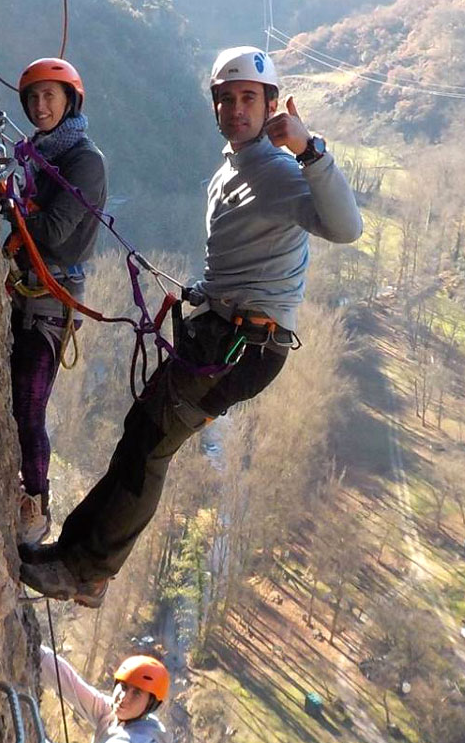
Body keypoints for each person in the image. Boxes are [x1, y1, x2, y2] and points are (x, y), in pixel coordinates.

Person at [20, 46, 360, 606]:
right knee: (142, 437)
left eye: (248, 98)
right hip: (222, 331)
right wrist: (201, 293)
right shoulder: (234, 168)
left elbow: (346, 227)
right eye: (225, 99)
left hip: (245, 345)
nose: (235, 108)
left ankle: (85, 571)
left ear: (272, 104)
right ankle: (76, 559)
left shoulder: (277, 170)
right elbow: (240, 258)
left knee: (148, 445)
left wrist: (310, 149)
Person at [9, 57, 107, 545]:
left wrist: (12, 205)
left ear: (70, 100)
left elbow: (50, 233)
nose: (40, 105)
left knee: (29, 407)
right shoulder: (37, 154)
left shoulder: (83, 161)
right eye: (33, 97)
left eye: (50, 95)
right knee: (14, 403)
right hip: (28, 287)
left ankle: (37, 506)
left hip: (53, 296)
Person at [37, 646, 171, 743]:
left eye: (136, 693)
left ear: (150, 704)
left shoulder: (139, 738)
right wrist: (38, 653)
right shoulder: (112, 712)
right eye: (123, 687)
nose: (124, 697)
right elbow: (72, 685)